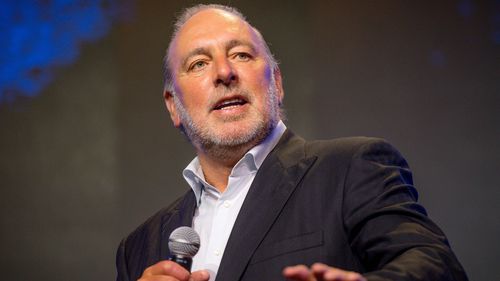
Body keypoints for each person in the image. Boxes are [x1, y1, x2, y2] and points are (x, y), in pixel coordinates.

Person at [116, 4, 468, 281]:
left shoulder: (350, 169)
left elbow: (436, 267)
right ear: (174, 106)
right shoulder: (138, 248)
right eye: (199, 63)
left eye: (241, 55)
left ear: (277, 84)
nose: (225, 72)